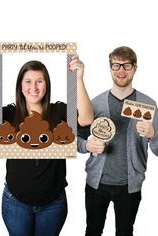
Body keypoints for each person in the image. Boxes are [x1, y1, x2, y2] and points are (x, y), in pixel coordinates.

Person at [0, 55, 93, 236]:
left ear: (47, 85)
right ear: (20, 87)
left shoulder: (59, 111)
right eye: (28, 81)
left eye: (40, 81)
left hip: (53, 202)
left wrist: (78, 78)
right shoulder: (10, 113)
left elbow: (86, 119)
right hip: (16, 201)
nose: (34, 87)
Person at [77, 46, 158, 236]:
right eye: (116, 65)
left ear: (135, 69)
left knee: (125, 232)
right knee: (93, 230)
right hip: (97, 184)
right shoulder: (94, 104)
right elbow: (73, 138)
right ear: (110, 68)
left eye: (127, 65)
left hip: (130, 186)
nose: (121, 70)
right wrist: (86, 145)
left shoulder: (149, 105)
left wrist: (153, 135)